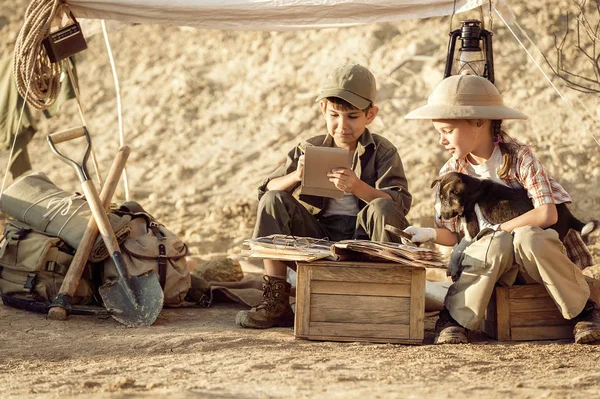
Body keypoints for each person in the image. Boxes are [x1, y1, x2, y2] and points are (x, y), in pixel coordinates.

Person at [403, 74, 600, 344]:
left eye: (447, 131)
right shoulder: (451, 172)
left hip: (536, 265)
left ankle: (583, 312)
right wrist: (429, 233)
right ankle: (456, 318)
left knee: (529, 235)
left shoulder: (518, 157)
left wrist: (496, 230)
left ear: (479, 123)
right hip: (491, 269)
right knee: (494, 245)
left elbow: (547, 214)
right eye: (439, 133)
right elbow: (454, 236)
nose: (442, 141)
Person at [236, 63, 412, 329]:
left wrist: (357, 187)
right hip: (318, 239)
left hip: (365, 243)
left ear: (370, 115)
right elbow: (266, 190)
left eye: (352, 116)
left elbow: (399, 206)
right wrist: (296, 176)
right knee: (273, 200)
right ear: (323, 111)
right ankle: (276, 302)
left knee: (381, 207)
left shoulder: (383, 151)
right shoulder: (310, 147)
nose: (342, 126)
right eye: (334, 115)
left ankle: (386, 301)